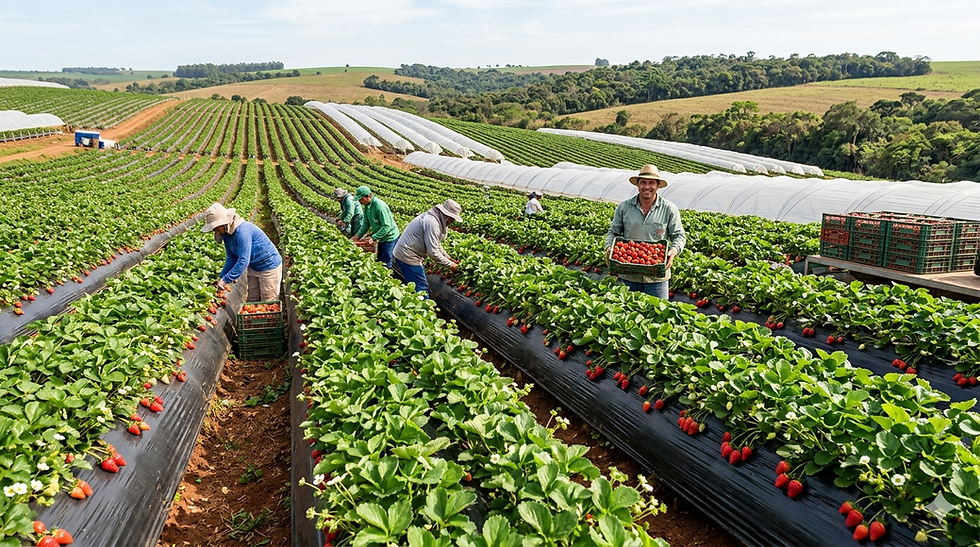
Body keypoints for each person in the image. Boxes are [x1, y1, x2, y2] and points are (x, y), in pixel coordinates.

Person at [604, 165, 685, 299]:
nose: (647, 187)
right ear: (637, 184)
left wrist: (673, 251)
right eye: (643, 182)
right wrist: (609, 248)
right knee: (628, 314)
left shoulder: (669, 209)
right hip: (628, 274)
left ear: (657, 185)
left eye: (651, 183)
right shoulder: (624, 208)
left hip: (657, 278)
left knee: (657, 313)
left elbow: (679, 236)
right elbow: (613, 232)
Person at [201, 202, 283, 302]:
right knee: (253, 299)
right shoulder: (226, 233)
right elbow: (231, 258)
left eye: (215, 227)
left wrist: (226, 279)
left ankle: (268, 318)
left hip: (269, 266)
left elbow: (243, 260)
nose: (215, 230)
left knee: (268, 301)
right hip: (254, 266)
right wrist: (222, 277)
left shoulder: (242, 232)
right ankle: (255, 317)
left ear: (223, 223)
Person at [392, 199, 462, 297]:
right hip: (408, 256)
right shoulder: (432, 223)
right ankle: (423, 309)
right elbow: (432, 252)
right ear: (447, 216)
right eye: (452, 219)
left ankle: (414, 304)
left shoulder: (435, 218)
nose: (452, 222)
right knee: (421, 288)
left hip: (407, 253)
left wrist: (447, 257)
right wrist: (451, 265)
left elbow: (435, 243)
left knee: (416, 286)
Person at [350, 185, 400, 268]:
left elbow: (386, 226)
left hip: (389, 237)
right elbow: (366, 223)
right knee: (380, 259)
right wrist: (356, 236)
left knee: (385, 260)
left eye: (361, 199)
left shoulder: (379, 206)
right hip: (381, 237)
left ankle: (387, 276)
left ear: (368, 196)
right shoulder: (367, 207)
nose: (359, 201)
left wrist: (374, 238)